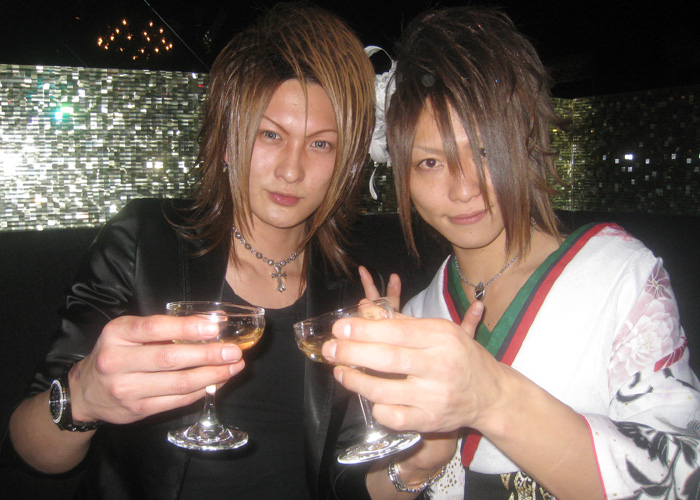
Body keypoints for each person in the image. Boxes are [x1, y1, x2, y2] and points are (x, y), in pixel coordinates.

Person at [324, 6, 700, 500]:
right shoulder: (418, 317)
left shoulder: (621, 277)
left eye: (483, 152)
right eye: (430, 162)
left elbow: (684, 477)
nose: (462, 190)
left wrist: (492, 398)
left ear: (524, 144)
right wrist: (417, 462)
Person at [5, 3, 376, 499]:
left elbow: (353, 476)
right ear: (226, 141)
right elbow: (32, 450)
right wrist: (84, 396)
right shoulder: (145, 242)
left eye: (321, 144)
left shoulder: (352, 286)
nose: (291, 170)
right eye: (269, 135)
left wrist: (415, 450)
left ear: (347, 162)